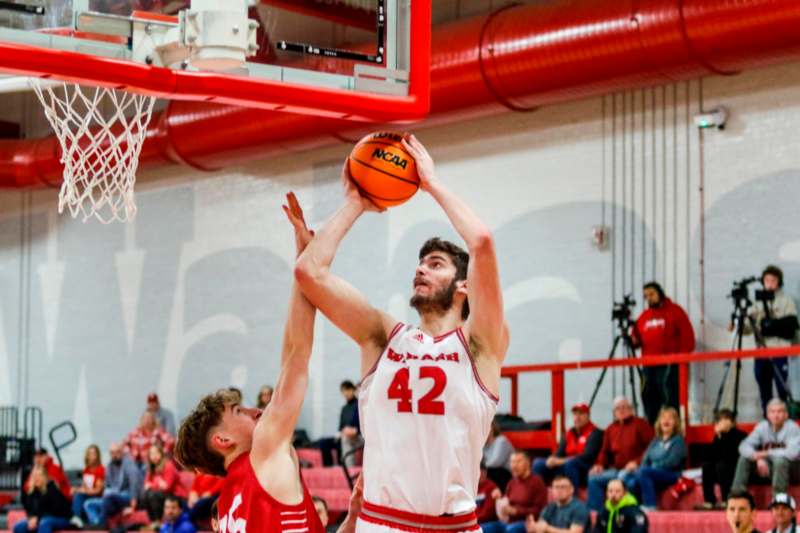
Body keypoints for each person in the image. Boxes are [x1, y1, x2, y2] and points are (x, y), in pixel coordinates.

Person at [295, 134, 508, 531]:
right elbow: (310, 273)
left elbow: (481, 242)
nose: (420, 269)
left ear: (464, 286)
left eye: (436, 263)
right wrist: (356, 203)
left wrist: (430, 184)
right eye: (420, 263)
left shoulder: (481, 345)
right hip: (382, 523)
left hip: (456, 525)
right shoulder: (382, 335)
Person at [174, 192, 324, 533]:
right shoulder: (266, 452)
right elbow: (296, 354)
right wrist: (306, 265)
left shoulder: (225, 506)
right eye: (239, 412)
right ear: (223, 441)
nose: (255, 411)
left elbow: (290, 354)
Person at [736, 266, 799, 415]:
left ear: (779, 282)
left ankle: (785, 420)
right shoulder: (756, 302)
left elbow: (791, 325)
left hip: (780, 350)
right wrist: (741, 322)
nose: (770, 283)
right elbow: (748, 329)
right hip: (761, 351)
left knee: (782, 388)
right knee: (764, 389)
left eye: (773, 280)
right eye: (767, 280)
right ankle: (767, 419)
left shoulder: (786, 300)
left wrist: (769, 325)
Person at [630, 282, 696, 425]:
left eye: (652, 294)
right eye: (646, 296)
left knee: (670, 399)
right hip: (648, 366)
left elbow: (688, 339)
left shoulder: (675, 311)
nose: (649, 298)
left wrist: (679, 359)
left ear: (660, 293)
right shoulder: (644, 317)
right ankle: (652, 429)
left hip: (670, 366)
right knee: (648, 398)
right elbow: (635, 341)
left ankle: (674, 429)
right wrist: (632, 339)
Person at [587, 397, 654, 512]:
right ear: (614, 412)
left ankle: (629, 513)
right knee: (593, 479)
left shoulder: (640, 424)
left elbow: (652, 448)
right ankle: (596, 513)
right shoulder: (610, 429)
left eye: (624, 407)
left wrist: (637, 462)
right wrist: (599, 465)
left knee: (630, 483)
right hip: (616, 470)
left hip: (635, 470)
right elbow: (604, 452)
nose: (621, 410)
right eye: (618, 408)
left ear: (631, 410)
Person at [731, 399, 800, 495]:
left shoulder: (793, 428)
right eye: (772, 412)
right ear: (767, 415)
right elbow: (743, 446)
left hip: (792, 470)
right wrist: (757, 458)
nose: (776, 415)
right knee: (744, 458)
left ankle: (778, 501)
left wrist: (766, 453)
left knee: (780, 461)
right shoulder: (762, 427)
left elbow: (793, 453)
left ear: (786, 415)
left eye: (780, 411)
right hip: (770, 469)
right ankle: (737, 495)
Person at [625, 407, 686, 510]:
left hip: (671, 474)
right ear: (659, 422)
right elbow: (645, 459)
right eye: (663, 418)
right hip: (652, 473)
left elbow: (672, 462)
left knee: (644, 472)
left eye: (670, 418)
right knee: (630, 480)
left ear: (675, 423)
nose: (666, 421)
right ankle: (633, 508)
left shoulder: (678, 441)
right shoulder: (655, 441)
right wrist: (648, 468)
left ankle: (650, 505)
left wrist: (653, 466)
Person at [533, 403, 602, 489]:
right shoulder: (569, 433)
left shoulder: (595, 432)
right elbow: (559, 452)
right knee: (538, 463)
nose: (577, 417)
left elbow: (588, 456)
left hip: (585, 468)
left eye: (581, 414)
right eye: (575, 414)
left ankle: (572, 497)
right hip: (566, 465)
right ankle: (539, 494)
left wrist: (562, 461)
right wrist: (552, 459)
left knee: (571, 464)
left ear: (588, 416)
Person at [481, 451, 547, 533]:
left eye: (518, 461)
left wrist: (516, 511)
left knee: (511, 530)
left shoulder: (537, 482)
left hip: (526, 522)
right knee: (483, 528)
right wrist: (499, 499)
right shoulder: (511, 482)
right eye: (512, 462)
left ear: (528, 463)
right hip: (508, 521)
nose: (514, 465)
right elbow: (506, 503)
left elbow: (541, 510)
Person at [697, 409, 747, 510]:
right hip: (720, 470)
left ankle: (726, 500)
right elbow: (712, 455)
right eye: (720, 420)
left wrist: (724, 435)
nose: (723, 422)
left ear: (732, 422)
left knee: (722, 466)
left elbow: (730, 455)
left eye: (726, 419)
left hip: (735, 469)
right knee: (707, 466)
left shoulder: (740, 435)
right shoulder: (718, 436)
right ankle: (709, 501)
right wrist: (719, 436)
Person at [83, 442, 142, 528]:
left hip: (126, 495)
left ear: (122, 452)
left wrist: (133, 504)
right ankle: (96, 523)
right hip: (111, 497)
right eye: (112, 453)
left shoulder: (128, 463)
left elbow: (134, 482)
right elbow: (107, 485)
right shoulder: (109, 466)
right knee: (88, 504)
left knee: (110, 496)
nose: (114, 455)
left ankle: (101, 524)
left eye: (117, 452)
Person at [14, 465, 72, 533]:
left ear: (45, 477)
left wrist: (38, 518)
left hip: (61, 518)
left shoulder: (52, 489)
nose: (36, 478)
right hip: (40, 518)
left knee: (44, 523)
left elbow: (56, 511)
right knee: (19, 527)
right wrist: (31, 518)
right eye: (34, 476)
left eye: (39, 476)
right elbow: (29, 510)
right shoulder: (31, 492)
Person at [142, 443, 189, 525]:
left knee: (154, 495)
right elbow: (146, 485)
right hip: (163, 494)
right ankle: (153, 522)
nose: (154, 456)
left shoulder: (168, 465)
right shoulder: (151, 469)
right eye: (152, 454)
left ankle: (158, 522)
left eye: (156, 453)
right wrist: (158, 483)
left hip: (176, 495)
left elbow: (167, 487)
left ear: (161, 454)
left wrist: (153, 484)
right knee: (146, 494)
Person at [69, 444, 105, 528]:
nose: (92, 456)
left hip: (97, 496)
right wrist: (75, 489)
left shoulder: (100, 469)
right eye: (89, 454)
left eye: (94, 454)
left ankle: (76, 518)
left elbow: (98, 490)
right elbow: (84, 487)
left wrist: (82, 491)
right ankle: (75, 519)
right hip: (87, 494)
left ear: (97, 456)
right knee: (75, 494)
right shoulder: (86, 470)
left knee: (79, 496)